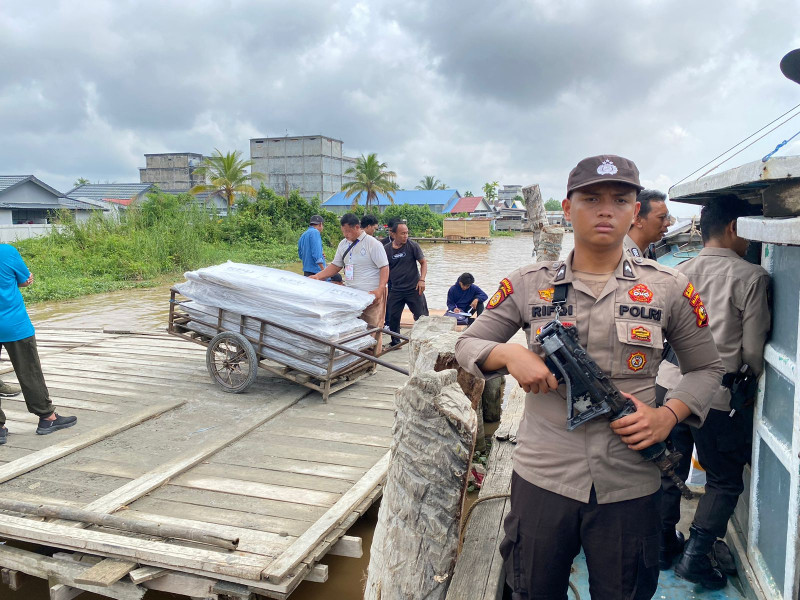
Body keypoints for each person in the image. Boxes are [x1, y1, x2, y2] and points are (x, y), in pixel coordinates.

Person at [455, 155, 724, 600]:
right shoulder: (527, 283)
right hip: (545, 475)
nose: (605, 210)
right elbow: (467, 344)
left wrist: (668, 416)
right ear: (567, 208)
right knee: (530, 590)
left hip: (630, 480)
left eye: (620, 200)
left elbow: (707, 367)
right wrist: (507, 354)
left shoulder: (668, 286)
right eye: (591, 199)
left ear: (634, 212)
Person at [653, 196, 769, 590]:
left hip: (668, 386)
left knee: (669, 468)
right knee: (723, 479)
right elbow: (752, 351)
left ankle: (664, 545)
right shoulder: (752, 277)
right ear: (736, 228)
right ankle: (696, 556)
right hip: (718, 396)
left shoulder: (677, 271)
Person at [0, 244, 77, 445]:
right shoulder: (6, 252)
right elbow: (25, 279)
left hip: (12, 324)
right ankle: (47, 418)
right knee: (29, 371)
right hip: (13, 324)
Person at [311, 213, 389, 354]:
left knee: (372, 329)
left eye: (348, 231)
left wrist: (380, 289)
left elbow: (384, 267)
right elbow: (336, 265)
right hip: (352, 295)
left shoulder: (373, 244)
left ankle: (372, 363)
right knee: (354, 329)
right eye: (343, 232)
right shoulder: (343, 244)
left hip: (372, 295)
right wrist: (318, 276)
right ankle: (356, 360)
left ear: (357, 227)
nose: (345, 234)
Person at [384, 221, 428, 346]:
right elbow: (383, 269)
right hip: (396, 289)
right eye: (402, 233)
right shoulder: (386, 250)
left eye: (407, 233)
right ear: (393, 234)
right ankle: (395, 342)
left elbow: (423, 263)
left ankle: (423, 342)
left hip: (414, 288)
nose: (406, 236)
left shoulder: (412, 246)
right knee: (393, 317)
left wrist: (422, 280)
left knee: (421, 316)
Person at [624, 189, 670, 259]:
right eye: (661, 217)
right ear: (638, 220)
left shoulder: (647, 252)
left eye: (667, 217)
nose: (668, 223)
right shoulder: (619, 256)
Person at [298, 215, 341, 283]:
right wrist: (324, 272)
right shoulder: (315, 232)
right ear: (320, 224)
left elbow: (301, 255)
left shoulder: (303, 235)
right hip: (316, 272)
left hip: (306, 271)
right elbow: (317, 255)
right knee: (338, 278)